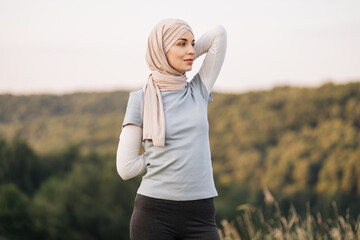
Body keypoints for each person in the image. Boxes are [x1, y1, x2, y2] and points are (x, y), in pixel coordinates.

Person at [116, 18, 227, 240]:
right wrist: (158, 158)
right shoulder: (139, 99)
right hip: (154, 215)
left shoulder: (198, 90)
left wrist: (185, 45)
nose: (191, 51)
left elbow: (218, 34)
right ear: (160, 50)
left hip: (201, 215)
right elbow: (125, 168)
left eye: (193, 44)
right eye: (181, 44)